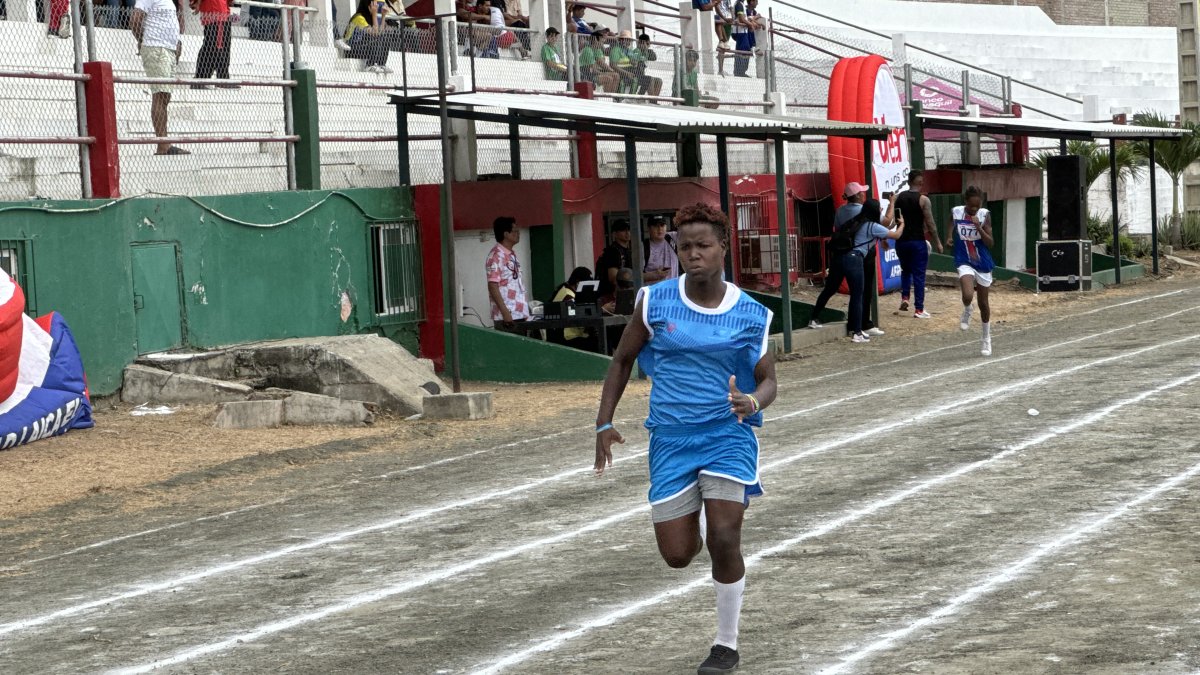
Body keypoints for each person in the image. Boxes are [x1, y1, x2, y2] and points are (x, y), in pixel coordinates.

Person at [594, 202, 777, 675]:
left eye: (703, 246)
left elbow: (768, 380)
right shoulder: (655, 302)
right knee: (677, 556)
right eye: (685, 246)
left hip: (726, 435)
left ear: (723, 248)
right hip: (670, 440)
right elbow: (620, 361)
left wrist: (753, 402)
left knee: (724, 535)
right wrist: (603, 423)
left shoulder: (752, 313)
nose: (693, 254)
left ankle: (726, 645)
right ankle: (693, 521)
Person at [809, 196, 903, 343]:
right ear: (874, 210)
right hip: (854, 259)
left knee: (830, 289)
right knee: (857, 295)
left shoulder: (856, 221)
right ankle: (857, 332)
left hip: (839, 257)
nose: (881, 210)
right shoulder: (872, 225)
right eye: (879, 208)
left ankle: (813, 318)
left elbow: (881, 232)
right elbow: (896, 235)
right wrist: (901, 224)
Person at [833, 182, 890, 337]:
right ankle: (863, 324)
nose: (864, 195)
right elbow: (887, 223)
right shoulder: (863, 211)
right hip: (863, 254)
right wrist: (892, 203)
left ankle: (856, 324)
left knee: (856, 292)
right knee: (863, 291)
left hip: (846, 252)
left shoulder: (840, 211)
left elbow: (838, 228)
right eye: (862, 193)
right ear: (857, 195)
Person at [132, 0, 189, 155]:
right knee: (160, 95)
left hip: (167, 50)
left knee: (164, 96)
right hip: (157, 49)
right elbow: (135, 20)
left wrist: (176, 43)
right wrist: (143, 41)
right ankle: (163, 144)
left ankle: (163, 143)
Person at [946, 186, 996, 357]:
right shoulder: (957, 212)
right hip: (964, 259)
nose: (974, 209)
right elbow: (950, 222)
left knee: (983, 304)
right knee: (967, 295)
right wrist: (949, 236)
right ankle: (967, 309)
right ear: (965, 201)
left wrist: (979, 228)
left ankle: (986, 338)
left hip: (982, 261)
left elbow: (990, 243)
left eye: (977, 206)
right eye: (971, 206)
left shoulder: (984, 215)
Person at [894, 170, 944, 319]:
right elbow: (931, 223)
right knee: (919, 275)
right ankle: (919, 309)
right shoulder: (923, 200)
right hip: (917, 241)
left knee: (905, 270)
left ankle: (905, 297)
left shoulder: (899, 197)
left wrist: (885, 237)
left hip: (901, 241)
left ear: (908, 181)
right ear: (921, 183)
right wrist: (938, 243)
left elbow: (896, 220)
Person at [486, 216, 529, 329]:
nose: (518, 233)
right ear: (506, 234)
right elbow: (493, 285)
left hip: (518, 313)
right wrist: (505, 313)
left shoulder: (510, 254)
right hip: (507, 316)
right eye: (515, 231)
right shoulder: (496, 256)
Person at [190, 0, 234, 88]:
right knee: (211, 46)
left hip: (220, 10)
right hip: (215, 10)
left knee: (220, 46)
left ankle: (218, 78)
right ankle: (201, 79)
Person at [342, 0, 394, 73]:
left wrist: (383, 16)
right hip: (352, 49)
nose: (377, 8)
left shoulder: (370, 17)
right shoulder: (359, 17)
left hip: (363, 47)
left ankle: (381, 64)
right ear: (368, 6)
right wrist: (374, 14)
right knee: (374, 37)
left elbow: (381, 33)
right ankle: (369, 65)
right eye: (375, 6)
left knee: (385, 38)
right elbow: (375, 34)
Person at [552, 266, 595, 349]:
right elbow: (575, 314)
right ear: (578, 282)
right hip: (568, 337)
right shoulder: (568, 295)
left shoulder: (567, 291)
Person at [596, 219, 633, 300]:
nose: (627, 233)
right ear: (615, 234)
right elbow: (613, 278)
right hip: (612, 295)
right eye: (623, 230)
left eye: (629, 229)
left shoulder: (629, 250)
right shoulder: (612, 251)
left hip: (625, 293)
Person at [642, 215, 679, 283]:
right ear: (648, 229)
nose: (660, 229)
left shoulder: (672, 238)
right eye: (655, 226)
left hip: (673, 290)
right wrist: (653, 275)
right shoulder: (643, 247)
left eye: (662, 225)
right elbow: (636, 276)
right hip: (654, 291)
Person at [730, 0, 753, 77]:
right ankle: (739, 72)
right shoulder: (739, 4)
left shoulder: (739, 4)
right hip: (740, 31)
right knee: (744, 50)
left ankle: (739, 71)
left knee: (743, 50)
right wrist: (750, 24)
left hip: (741, 31)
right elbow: (741, 18)